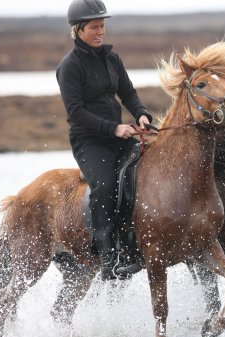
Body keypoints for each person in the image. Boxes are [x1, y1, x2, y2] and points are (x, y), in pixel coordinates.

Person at [56, 0, 152, 280]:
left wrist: (142, 114)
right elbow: (76, 113)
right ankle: (108, 256)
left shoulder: (112, 59)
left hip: (118, 134)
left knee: (142, 175)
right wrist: (114, 129)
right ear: (78, 30)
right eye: (95, 27)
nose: (101, 32)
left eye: (103, 26)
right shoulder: (69, 66)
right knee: (107, 183)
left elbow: (129, 92)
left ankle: (133, 246)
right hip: (89, 140)